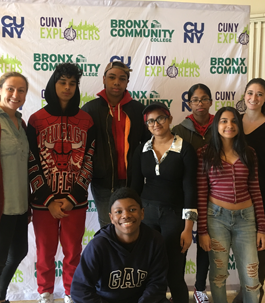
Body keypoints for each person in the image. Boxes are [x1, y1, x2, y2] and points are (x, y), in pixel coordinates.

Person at [27, 63, 95, 303]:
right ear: (53, 84)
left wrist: (71, 198)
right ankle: (45, 291)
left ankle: (70, 292)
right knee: (44, 251)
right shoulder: (36, 120)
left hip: (74, 202)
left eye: (72, 83)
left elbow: (89, 161)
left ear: (77, 87)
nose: (67, 88)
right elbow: (31, 161)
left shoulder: (87, 120)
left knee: (73, 252)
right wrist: (48, 199)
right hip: (43, 201)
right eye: (62, 82)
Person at [131, 102, 198, 303]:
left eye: (159, 118)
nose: (155, 123)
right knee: (148, 273)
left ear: (169, 119)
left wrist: (188, 228)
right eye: (150, 121)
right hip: (146, 216)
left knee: (175, 274)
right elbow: (135, 188)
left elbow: (190, 190)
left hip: (174, 217)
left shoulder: (185, 149)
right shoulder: (141, 150)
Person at [197, 106, 265, 303]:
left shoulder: (249, 153)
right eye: (224, 121)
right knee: (218, 274)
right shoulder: (205, 153)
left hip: (246, 218)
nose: (229, 125)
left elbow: (256, 191)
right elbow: (201, 193)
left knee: (252, 276)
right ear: (216, 125)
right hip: (216, 219)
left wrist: (262, 228)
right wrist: (202, 231)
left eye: (234, 121)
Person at [70, 187, 170, 303]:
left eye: (132, 209)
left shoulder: (155, 240)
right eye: (118, 212)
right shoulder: (98, 245)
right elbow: (80, 289)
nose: (126, 215)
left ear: (142, 213)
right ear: (111, 218)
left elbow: (157, 283)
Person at [81, 61, 150, 228]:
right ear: (104, 79)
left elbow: (149, 144)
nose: (117, 82)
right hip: (103, 182)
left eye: (122, 78)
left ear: (127, 82)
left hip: (132, 181)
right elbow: (82, 147)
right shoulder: (90, 109)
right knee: (108, 227)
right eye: (112, 77)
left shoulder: (138, 110)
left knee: (133, 227)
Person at [172, 83, 214, 303]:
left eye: (204, 99)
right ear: (188, 103)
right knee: (182, 242)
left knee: (206, 243)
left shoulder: (221, 125)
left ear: (210, 102)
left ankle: (199, 288)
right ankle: (178, 288)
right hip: (185, 194)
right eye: (195, 100)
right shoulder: (179, 130)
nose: (200, 103)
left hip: (215, 195)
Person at [233, 78, 265, 303]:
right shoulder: (233, 123)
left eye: (260, 94)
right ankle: (245, 289)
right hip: (236, 193)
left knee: (260, 246)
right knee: (241, 244)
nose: (254, 98)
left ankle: (254, 292)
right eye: (250, 93)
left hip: (262, 191)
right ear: (244, 95)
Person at [0, 72, 29, 303]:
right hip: (1, 205)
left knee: (18, 252)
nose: (15, 94)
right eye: (10, 88)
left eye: (21, 91)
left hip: (20, 204)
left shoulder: (22, 123)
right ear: (1, 90)